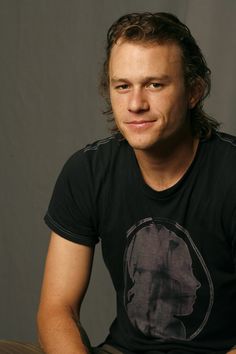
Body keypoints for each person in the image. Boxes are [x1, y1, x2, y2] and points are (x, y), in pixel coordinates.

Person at [1, 11, 234, 354]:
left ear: (193, 92)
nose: (136, 104)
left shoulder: (229, 172)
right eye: (122, 86)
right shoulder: (89, 171)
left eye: (155, 84)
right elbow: (56, 310)